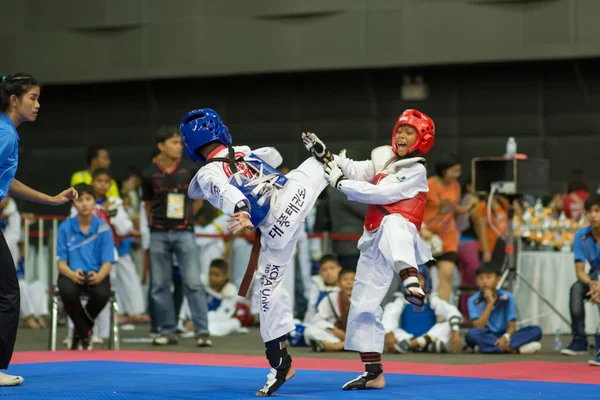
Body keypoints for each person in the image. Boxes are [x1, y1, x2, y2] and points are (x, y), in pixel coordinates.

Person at [181, 108, 328, 396]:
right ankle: (374, 172)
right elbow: (275, 156)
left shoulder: (208, 172)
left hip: (277, 228)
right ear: (220, 130)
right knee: (323, 164)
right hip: (296, 195)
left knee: (268, 292)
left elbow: (223, 191)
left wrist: (242, 208)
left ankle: (280, 363)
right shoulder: (243, 150)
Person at [301, 109, 434, 391]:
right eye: (399, 129)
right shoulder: (383, 159)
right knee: (362, 306)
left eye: (409, 132)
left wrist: (340, 183)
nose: (401, 135)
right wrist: (326, 156)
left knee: (393, 223)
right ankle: (373, 372)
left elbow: (380, 195)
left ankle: (411, 280)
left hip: (401, 235)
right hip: (373, 242)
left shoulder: (416, 170)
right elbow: (352, 168)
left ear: (422, 140)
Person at [0, 73, 77, 386]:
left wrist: (50, 199)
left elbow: (8, 181)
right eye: (33, 97)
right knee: (7, 292)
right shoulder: (5, 135)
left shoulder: (7, 133)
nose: (38, 104)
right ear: (15, 101)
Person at [142, 126, 209, 346]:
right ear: (161, 146)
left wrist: (187, 217)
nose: (179, 147)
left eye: (180, 143)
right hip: (158, 233)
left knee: (193, 282)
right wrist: (157, 223)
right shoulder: (149, 173)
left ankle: (202, 332)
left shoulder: (190, 169)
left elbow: (198, 199)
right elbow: (148, 205)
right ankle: (168, 330)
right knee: (160, 285)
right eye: (174, 143)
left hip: (185, 232)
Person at [57, 184, 115, 350]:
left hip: (97, 274)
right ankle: (85, 332)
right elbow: (60, 263)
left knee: (102, 294)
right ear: (73, 204)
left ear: (94, 202)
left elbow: (107, 262)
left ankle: (79, 332)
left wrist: (99, 276)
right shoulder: (65, 227)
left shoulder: (104, 228)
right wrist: (72, 274)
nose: (84, 204)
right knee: (67, 292)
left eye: (88, 199)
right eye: (80, 200)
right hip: (71, 274)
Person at [466, 263, 542, 354]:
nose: (484, 281)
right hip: (486, 335)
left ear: (498, 279)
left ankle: (490, 347)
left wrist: (505, 337)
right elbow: (478, 327)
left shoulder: (507, 297)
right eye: (481, 278)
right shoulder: (473, 300)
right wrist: (490, 304)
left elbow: (511, 325)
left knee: (536, 330)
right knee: (471, 335)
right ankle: (514, 349)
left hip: (506, 335)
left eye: (488, 277)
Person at [561, 194, 600, 356]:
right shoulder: (581, 236)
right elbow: (580, 272)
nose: (593, 215)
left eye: (597, 211)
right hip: (594, 277)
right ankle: (579, 340)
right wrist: (592, 284)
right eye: (589, 211)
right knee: (576, 289)